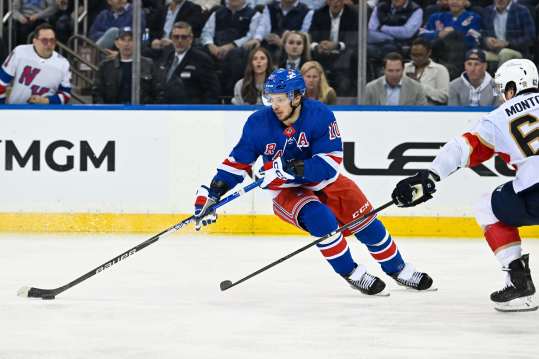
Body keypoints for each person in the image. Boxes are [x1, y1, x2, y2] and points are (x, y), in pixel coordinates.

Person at [193, 68, 434, 295]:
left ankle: (398, 269)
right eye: (271, 99)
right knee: (321, 219)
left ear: (297, 97)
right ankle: (351, 272)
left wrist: (293, 168)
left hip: (325, 181)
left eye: (280, 99)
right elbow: (238, 162)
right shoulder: (258, 123)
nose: (274, 105)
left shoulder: (320, 115)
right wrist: (214, 192)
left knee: (368, 223)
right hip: (286, 191)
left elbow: (330, 163)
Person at [391, 58, 538, 312]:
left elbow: (463, 147)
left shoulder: (500, 117)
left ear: (512, 87)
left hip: (534, 194)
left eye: (504, 90)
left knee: (487, 206)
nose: (504, 96)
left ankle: (518, 282)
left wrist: (430, 175)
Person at [0, 23, 71, 104]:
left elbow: (66, 95)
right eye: (44, 40)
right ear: (35, 41)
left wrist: (46, 101)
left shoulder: (63, 64)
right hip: (17, 109)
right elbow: (1, 83)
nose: (49, 44)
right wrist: (2, 108)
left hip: (47, 112)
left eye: (52, 40)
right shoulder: (19, 52)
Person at [153, 21, 220, 104]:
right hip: (163, 109)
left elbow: (212, 91)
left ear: (191, 39)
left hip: (190, 111)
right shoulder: (166, 56)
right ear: (171, 38)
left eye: (184, 37)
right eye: (176, 37)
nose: (179, 40)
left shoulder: (202, 59)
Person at [92, 28, 154, 104]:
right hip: (113, 112)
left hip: (141, 113)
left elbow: (156, 92)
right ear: (116, 43)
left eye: (130, 40)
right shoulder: (105, 66)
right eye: (123, 40)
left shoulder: (148, 64)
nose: (126, 44)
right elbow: (97, 93)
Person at [404, 37, 450, 105]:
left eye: (420, 55)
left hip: (430, 111)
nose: (416, 58)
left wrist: (419, 86)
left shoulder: (440, 70)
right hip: (405, 109)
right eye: (413, 55)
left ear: (429, 53)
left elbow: (444, 97)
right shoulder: (404, 67)